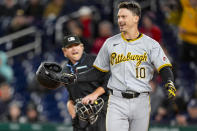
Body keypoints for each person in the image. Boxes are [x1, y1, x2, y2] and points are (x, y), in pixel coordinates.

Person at [57, 1, 177, 131]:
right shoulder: (110, 43)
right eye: (119, 17)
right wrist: (75, 77)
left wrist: (169, 81)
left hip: (141, 100)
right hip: (116, 100)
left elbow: (164, 66)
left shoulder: (150, 44)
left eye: (124, 17)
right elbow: (97, 72)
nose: (120, 20)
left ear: (136, 18)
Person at [61, 34, 109, 131]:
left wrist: (94, 94)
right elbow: (72, 95)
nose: (74, 49)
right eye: (70, 47)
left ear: (82, 47)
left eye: (76, 45)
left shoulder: (95, 61)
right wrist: (70, 104)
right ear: (64, 52)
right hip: (81, 117)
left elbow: (110, 81)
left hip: (101, 112)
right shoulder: (65, 71)